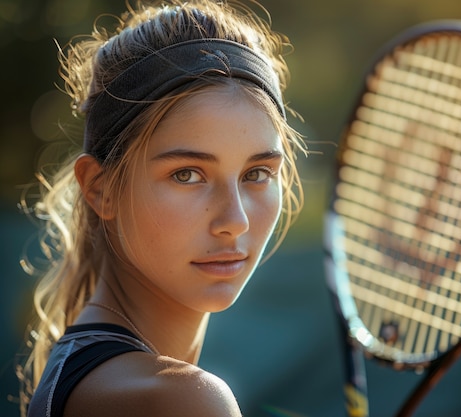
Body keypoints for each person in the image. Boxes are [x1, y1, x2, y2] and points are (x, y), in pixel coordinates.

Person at [17, 1, 305, 416]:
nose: (235, 221)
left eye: (257, 173)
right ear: (100, 189)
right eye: (187, 175)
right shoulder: (181, 399)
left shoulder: (80, 375)